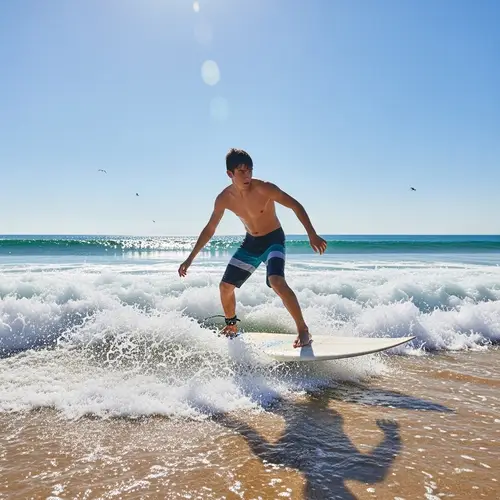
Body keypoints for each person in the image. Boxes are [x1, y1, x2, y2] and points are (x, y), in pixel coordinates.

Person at [178, 148, 327, 348]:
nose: (247, 175)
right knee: (225, 287)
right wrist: (190, 259)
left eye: (250, 170)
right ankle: (231, 326)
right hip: (251, 242)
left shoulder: (265, 188)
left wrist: (311, 233)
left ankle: (303, 330)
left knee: (276, 281)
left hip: (274, 238)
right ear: (230, 174)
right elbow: (210, 229)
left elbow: (295, 206)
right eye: (241, 172)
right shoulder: (224, 198)